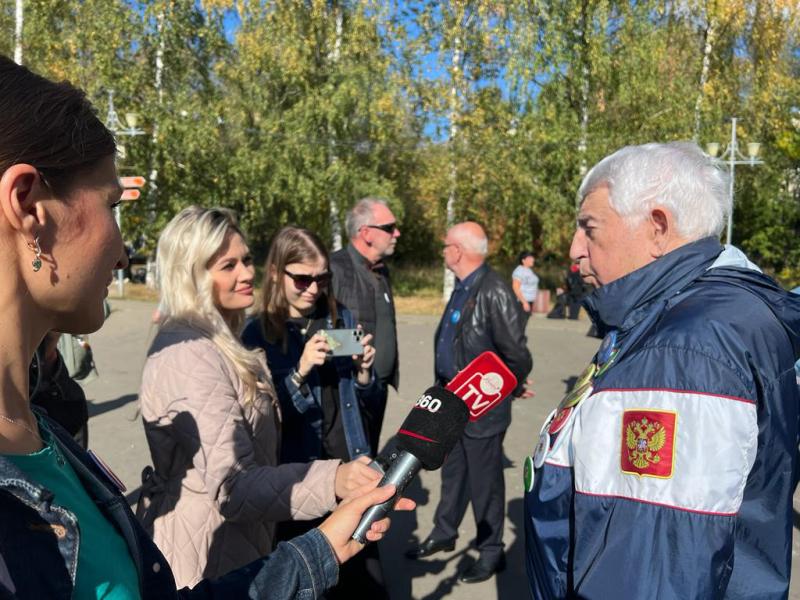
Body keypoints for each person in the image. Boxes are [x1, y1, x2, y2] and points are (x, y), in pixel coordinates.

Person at [0, 55, 409, 598]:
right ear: (28, 205)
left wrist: (322, 546)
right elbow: (229, 487)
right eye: (111, 206)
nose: (122, 251)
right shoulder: (184, 350)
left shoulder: (41, 431)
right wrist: (330, 483)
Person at [524, 142, 800, 599]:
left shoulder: (683, 348)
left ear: (656, 228)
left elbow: (652, 573)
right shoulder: (706, 315)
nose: (575, 249)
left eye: (589, 228)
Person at [138, 208, 390, 588]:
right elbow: (233, 488)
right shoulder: (192, 352)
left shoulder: (220, 339)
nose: (246, 273)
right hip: (208, 552)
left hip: (240, 536)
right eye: (227, 265)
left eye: (246, 259)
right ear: (191, 274)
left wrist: (364, 372)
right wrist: (334, 479)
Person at [242, 225, 388, 599]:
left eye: (321, 278)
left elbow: (366, 406)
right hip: (296, 476)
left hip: (348, 463)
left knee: (363, 578)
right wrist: (299, 372)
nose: (313, 289)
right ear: (276, 273)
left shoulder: (341, 319)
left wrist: (365, 372)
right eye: (302, 279)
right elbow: (261, 422)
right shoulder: (257, 334)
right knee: (305, 578)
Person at [406, 222, 533, 584]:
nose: (443, 251)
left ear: (458, 251)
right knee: (453, 471)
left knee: (485, 482)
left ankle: (491, 552)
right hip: (453, 401)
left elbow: (516, 354)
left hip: (482, 408)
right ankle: (445, 533)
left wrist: (508, 385)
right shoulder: (465, 288)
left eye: (446, 246)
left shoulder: (493, 289)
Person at [330, 198, 400, 456]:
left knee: (368, 456)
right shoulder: (335, 268)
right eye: (390, 227)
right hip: (349, 389)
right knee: (351, 462)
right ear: (366, 233)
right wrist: (357, 351)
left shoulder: (382, 271)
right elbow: (320, 332)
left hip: (377, 389)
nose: (397, 233)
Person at [512, 250, 539, 326]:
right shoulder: (519, 271)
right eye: (530, 258)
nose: (532, 259)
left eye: (532, 257)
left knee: (523, 325)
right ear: (523, 260)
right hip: (521, 302)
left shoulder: (529, 270)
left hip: (529, 301)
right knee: (519, 325)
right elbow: (515, 287)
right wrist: (524, 302)